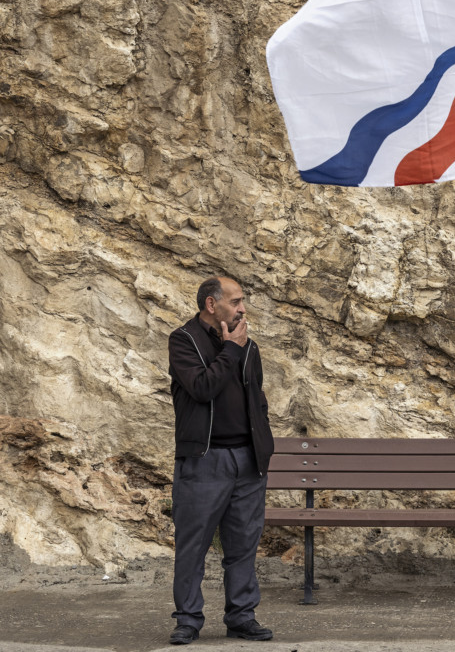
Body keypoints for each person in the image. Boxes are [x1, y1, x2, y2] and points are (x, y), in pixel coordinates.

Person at [167, 276, 275, 645]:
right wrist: (231, 349)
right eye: (235, 301)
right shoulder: (184, 340)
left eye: (242, 302)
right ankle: (188, 620)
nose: (242, 309)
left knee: (243, 545)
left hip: (248, 460)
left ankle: (242, 617)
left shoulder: (248, 346)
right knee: (193, 546)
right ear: (212, 305)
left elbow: (257, 397)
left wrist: (263, 444)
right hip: (204, 460)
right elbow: (201, 388)